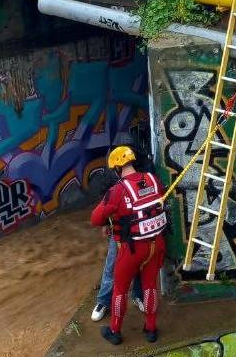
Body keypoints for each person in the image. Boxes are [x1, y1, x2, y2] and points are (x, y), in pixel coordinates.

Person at [90, 145, 167, 345]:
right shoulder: (153, 179)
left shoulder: (117, 190)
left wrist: (113, 216)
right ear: (132, 161)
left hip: (132, 249)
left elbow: (95, 218)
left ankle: (115, 331)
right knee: (150, 287)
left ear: (116, 168)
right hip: (156, 243)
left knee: (120, 289)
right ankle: (151, 329)